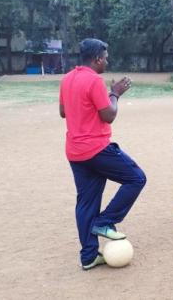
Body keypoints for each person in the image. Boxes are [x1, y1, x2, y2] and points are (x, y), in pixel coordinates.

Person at [59, 38, 146, 270]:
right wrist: (115, 93)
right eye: (106, 58)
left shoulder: (67, 78)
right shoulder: (94, 80)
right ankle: (105, 221)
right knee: (136, 178)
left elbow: (62, 112)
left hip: (75, 152)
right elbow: (109, 115)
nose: (107, 61)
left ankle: (88, 257)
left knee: (86, 203)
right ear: (97, 58)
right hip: (96, 149)